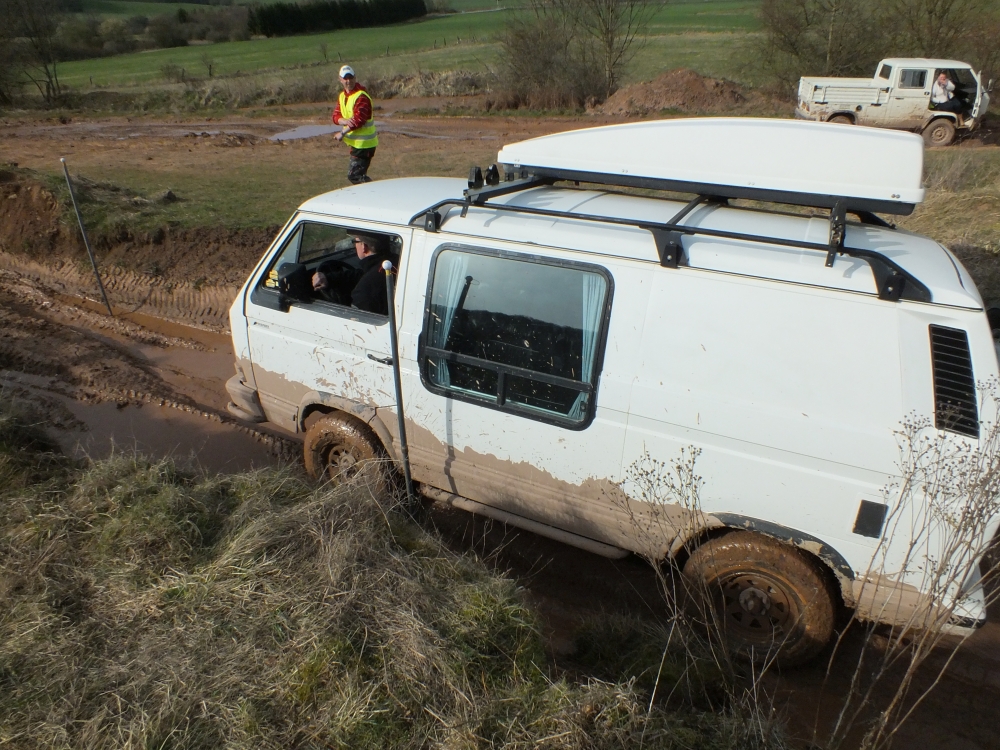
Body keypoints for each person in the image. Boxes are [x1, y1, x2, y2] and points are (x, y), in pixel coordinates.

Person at [312, 234, 392, 315]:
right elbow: (360, 274)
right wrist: (329, 278)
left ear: (364, 247)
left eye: (355, 242)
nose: (355, 246)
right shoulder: (392, 263)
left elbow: (356, 319)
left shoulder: (363, 292)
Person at [332, 65, 378, 184]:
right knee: (357, 176)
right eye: (345, 78)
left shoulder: (361, 96)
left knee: (354, 175)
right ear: (340, 79)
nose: (348, 81)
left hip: (365, 145)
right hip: (357, 144)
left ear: (355, 77)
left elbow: (359, 120)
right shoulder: (342, 96)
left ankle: (375, 191)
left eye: (351, 77)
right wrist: (345, 121)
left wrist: (342, 133)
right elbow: (335, 116)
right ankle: (369, 192)